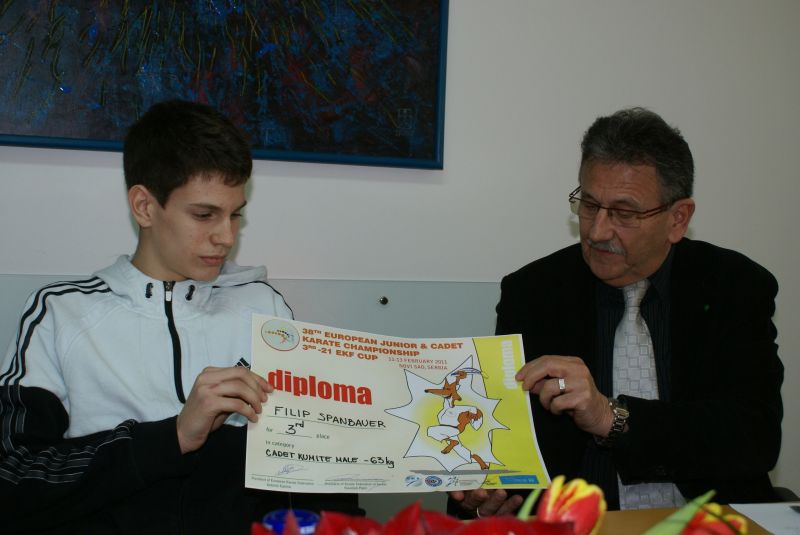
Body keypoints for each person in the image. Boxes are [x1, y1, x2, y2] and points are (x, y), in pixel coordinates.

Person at [0, 100, 360, 533]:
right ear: (144, 207)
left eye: (235, 215)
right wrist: (173, 437)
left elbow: (315, 473)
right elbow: (13, 478)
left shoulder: (264, 309)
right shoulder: (61, 314)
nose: (225, 237)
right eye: (205, 215)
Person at [449, 107, 783, 516]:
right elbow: (504, 441)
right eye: (589, 205)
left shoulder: (735, 286)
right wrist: (485, 500)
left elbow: (756, 439)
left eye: (624, 213)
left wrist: (612, 417)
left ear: (678, 218)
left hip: (706, 520)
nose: (596, 231)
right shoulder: (533, 292)